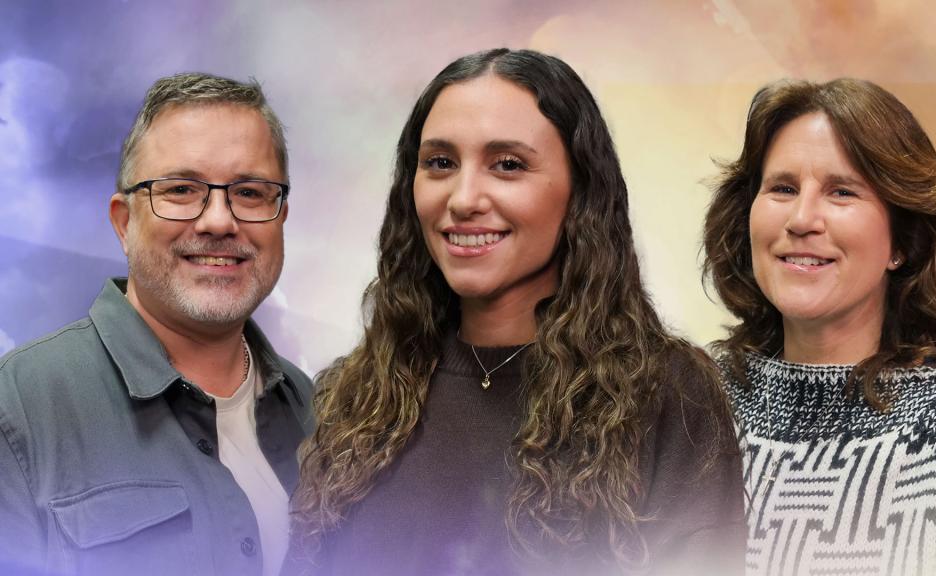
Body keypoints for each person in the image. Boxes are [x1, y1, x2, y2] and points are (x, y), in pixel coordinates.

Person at [290, 48, 744, 576]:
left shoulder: (667, 394)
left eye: (508, 164)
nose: (463, 198)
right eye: (440, 163)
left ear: (581, 190)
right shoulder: (352, 397)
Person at [702, 78, 936, 575]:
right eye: (783, 188)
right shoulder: (693, 403)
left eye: (842, 192)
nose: (802, 219)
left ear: (903, 242)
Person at [0, 73, 312, 576]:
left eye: (250, 192)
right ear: (124, 223)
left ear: (281, 219)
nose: (219, 221)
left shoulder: (317, 411)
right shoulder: (18, 410)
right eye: (181, 189)